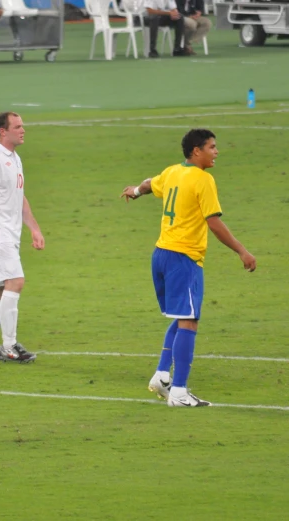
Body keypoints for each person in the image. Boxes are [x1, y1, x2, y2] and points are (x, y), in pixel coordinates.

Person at [120, 129, 256, 406]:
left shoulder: (172, 172)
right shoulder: (203, 179)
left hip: (161, 254)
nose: (216, 152)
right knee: (189, 321)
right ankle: (179, 392)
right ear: (197, 151)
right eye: (212, 147)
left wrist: (135, 191)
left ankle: (162, 376)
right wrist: (242, 251)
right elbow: (214, 223)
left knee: (183, 316)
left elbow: (149, 183)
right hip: (183, 258)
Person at [0, 112, 44, 363]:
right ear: (3, 131)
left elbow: (19, 196)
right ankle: (10, 345)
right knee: (15, 282)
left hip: (9, 230)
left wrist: (34, 228)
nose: (23, 130)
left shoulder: (15, 158)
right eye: (17, 127)